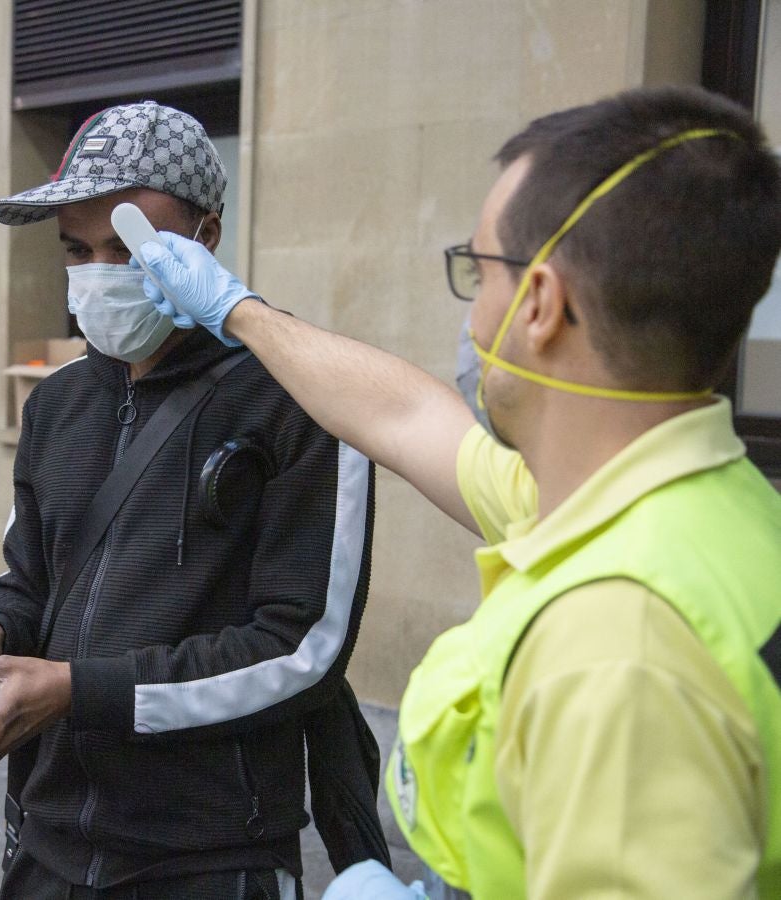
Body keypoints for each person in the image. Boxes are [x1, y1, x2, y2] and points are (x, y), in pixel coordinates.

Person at [139, 85, 781, 899]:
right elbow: (406, 417)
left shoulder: (623, 644)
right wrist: (237, 311)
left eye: (478, 272)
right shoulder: (674, 505)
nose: (473, 315)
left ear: (541, 303)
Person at [0, 101, 382, 899]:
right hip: (46, 837)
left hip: (207, 853)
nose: (98, 271)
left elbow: (302, 648)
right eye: (76, 248)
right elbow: (31, 584)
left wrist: (82, 691)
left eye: (126, 246)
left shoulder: (300, 396)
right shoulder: (56, 404)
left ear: (206, 235)